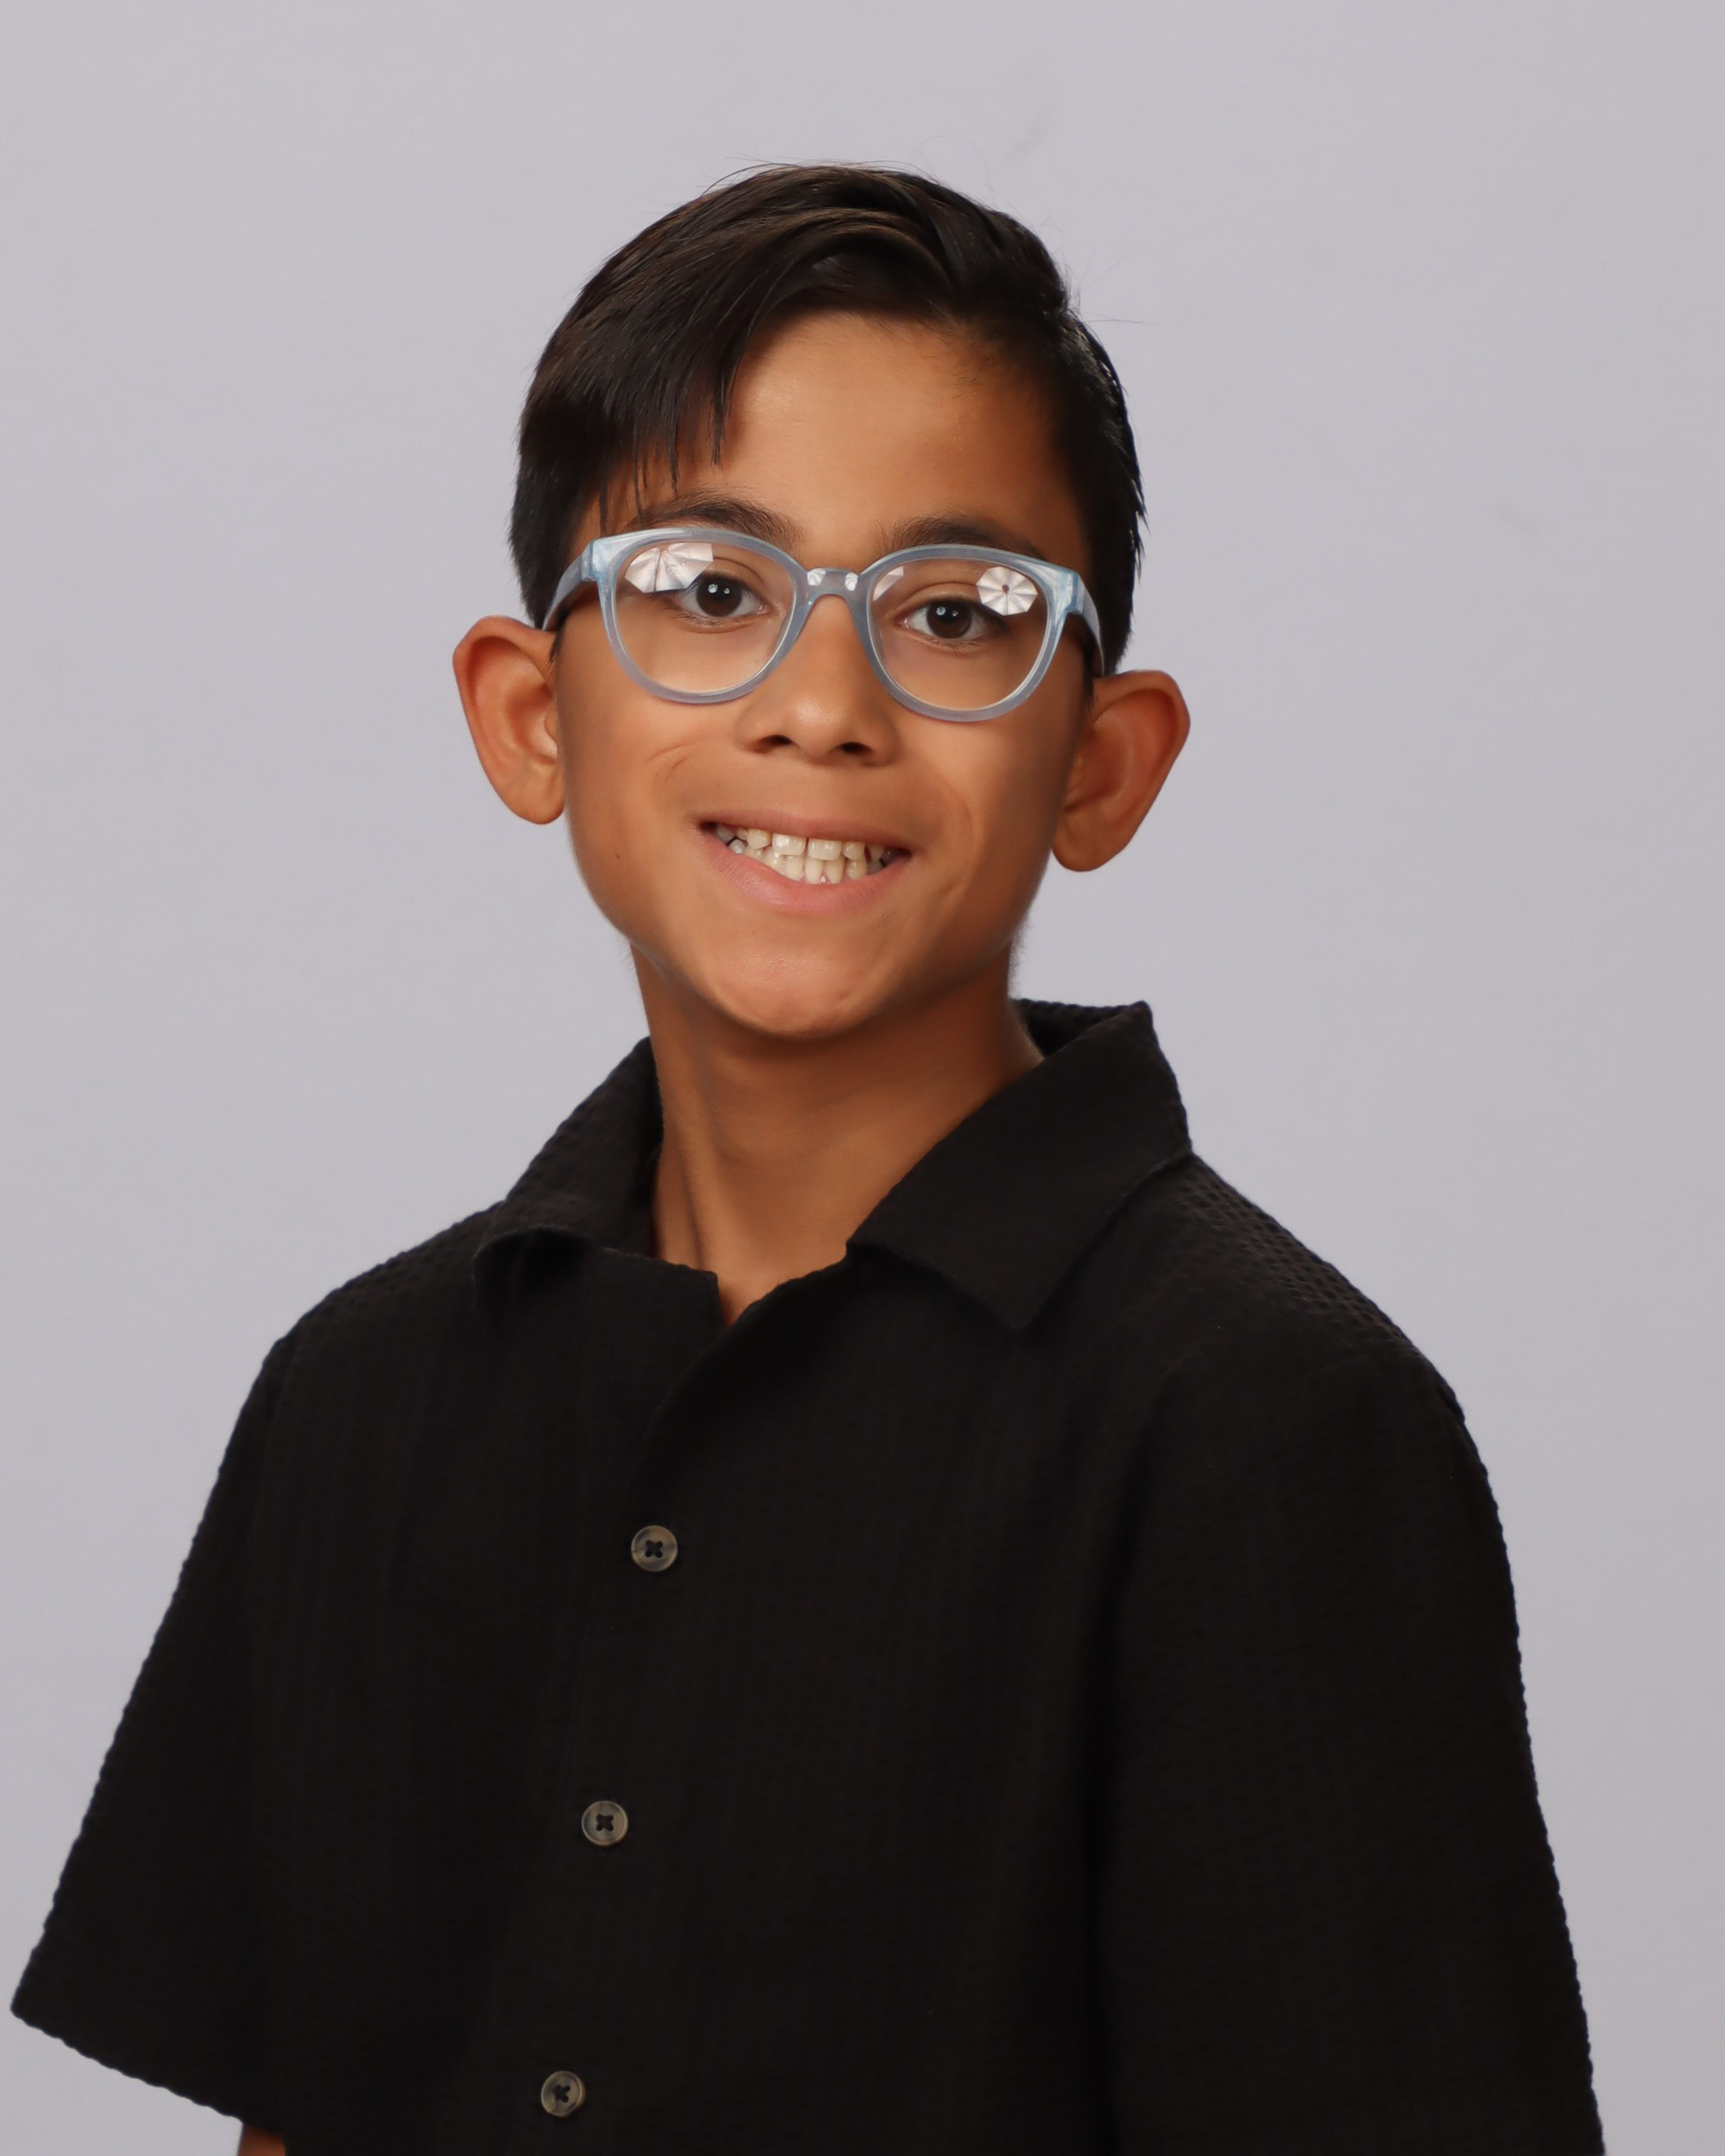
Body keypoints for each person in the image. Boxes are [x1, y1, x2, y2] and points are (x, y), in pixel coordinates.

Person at [12, 166, 1603, 2155]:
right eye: (709, 590)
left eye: (955, 614)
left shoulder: (1267, 1428)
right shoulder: (362, 1400)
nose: (824, 708)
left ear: (1103, 760)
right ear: (529, 718)